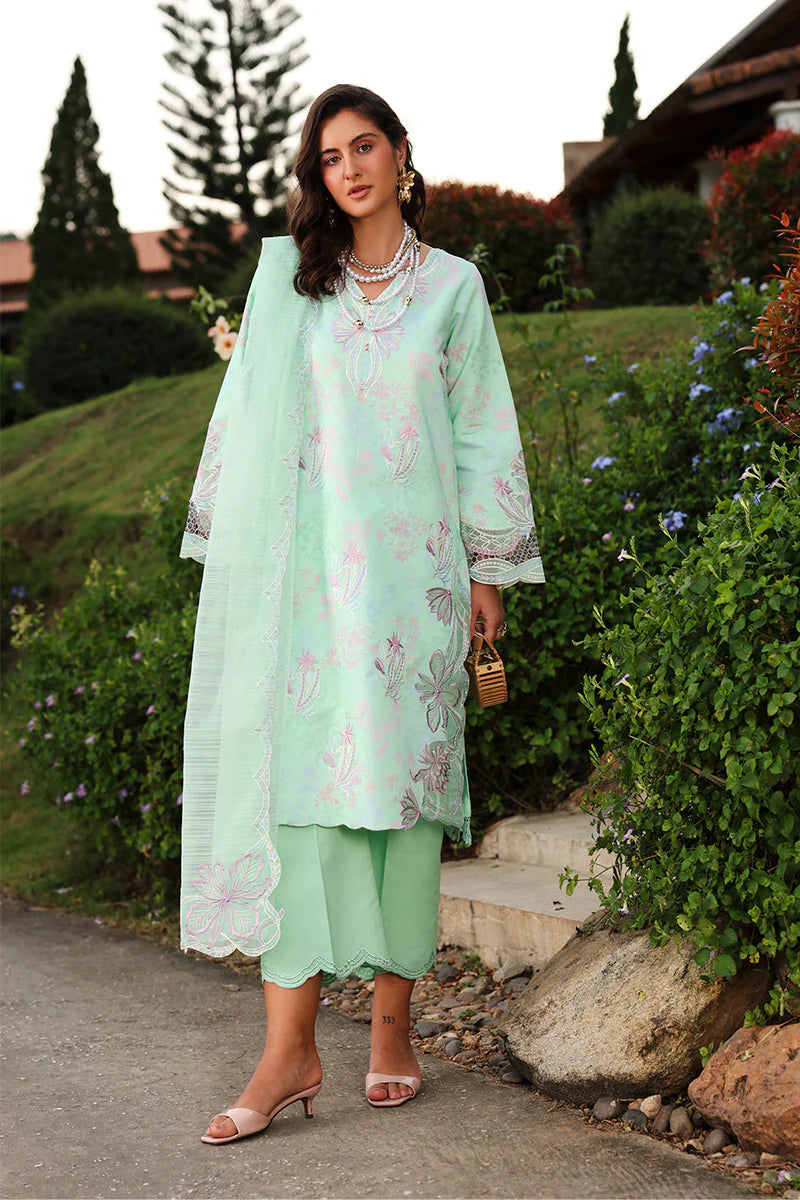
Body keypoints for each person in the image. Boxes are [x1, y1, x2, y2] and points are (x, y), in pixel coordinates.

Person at [178, 83, 546, 1146]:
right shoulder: (297, 287)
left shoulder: (454, 287)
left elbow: (480, 428)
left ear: (399, 154)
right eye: (329, 156)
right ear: (317, 177)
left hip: (415, 585)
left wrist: (486, 570)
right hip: (308, 589)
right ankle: (287, 1051)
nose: (348, 168)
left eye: (364, 146)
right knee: (300, 808)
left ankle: (393, 1032)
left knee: (403, 801)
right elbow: (245, 424)